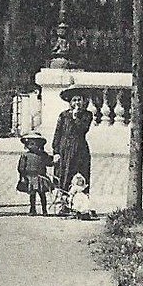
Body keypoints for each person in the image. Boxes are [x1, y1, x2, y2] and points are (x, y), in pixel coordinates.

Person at [51, 87, 93, 216]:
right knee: (63, 176)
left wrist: (76, 118)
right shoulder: (63, 115)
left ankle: (80, 205)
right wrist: (56, 151)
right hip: (64, 150)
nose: (77, 103)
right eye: (74, 100)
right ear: (70, 102)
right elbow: (57, 133)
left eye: (79, 100)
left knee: (80, 177)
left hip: (80, 150)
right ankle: (63, 205)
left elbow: (83, 130)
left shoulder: (87, 115)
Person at [16, 133, 55, 216]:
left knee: (42, 194)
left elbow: (48, 163)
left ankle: (44, 210)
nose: (31, 146)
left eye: (34, 144)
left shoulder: (43, 155)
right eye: (29, 144)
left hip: (40, 177)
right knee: (32, 194)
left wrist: (54, 161)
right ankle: (32, 209)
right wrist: (22, 177)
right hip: (30, 178)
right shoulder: (25, 156)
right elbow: (21, 168)